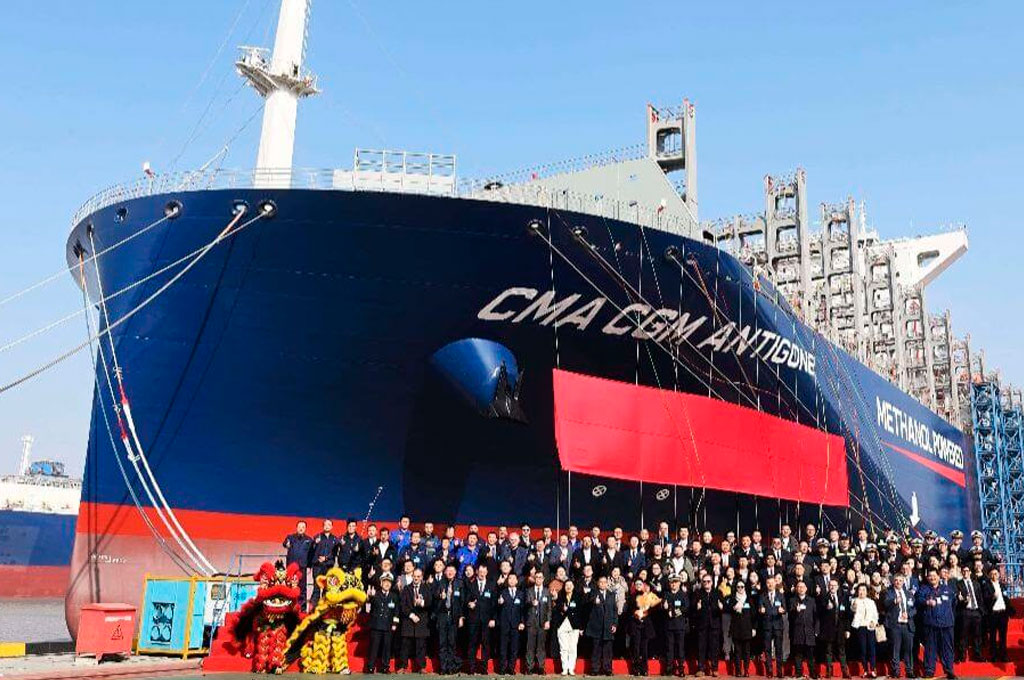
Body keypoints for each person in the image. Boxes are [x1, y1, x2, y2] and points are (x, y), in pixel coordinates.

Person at [915, 569, 956, 680]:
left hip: (946, 624)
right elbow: (918, 600)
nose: (932, 578)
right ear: (927, 578)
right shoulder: (923, 589)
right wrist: (926, 602)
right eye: (930, 576)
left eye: (934, 575)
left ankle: (949, 670)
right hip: (931, 624)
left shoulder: (947, 589)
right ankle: (929, 671)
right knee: (930, 649)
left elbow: (953, 604)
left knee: (947, 649)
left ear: (939, 576)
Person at [398, 568, 432, 673]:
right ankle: (403, 666)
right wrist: (411, 615)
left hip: (422, 620)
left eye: (418, 576)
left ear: (421, 577)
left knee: (421, 645)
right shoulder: (406, 588)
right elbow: (402, 605)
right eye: (414, 576)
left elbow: (430, 602)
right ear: (412, 576)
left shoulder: (426, 588)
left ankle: (422, 667)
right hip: (408, 620)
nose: (416, 578)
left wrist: (421, 603)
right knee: (405, 645)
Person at [465, 562, 497, 674]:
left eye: (484, 572)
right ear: (477, 572)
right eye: (480, 571)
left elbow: (494, 604)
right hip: (473, 619)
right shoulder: (471, 584)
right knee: (472, 644)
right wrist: (469, 604)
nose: (482, 574)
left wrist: (493, 618)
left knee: (485, 645)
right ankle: (471, 668)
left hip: (486, 620)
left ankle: (484, 668)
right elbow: (466, 599)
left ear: (487, 572)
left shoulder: (492, 585)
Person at [365, 572, 400, 673]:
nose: (387, 584)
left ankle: (385, 667)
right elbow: (367, 609)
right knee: (374, 647)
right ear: (381, 583)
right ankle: (370, 667)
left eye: (389, 582)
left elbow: (396, 612)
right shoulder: (375, 594)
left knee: (387, 648)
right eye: (385, 582)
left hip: (388, 626)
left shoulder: (394, 596)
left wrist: (395, 624)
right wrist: (369, 598)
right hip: (376, 625)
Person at [585, 575, 618, 677]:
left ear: (607, 583)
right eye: (601, 582)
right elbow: (589, 602)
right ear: (598, 583)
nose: (603, 584)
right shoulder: (593, 593)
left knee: (608, 650)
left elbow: (614, 610)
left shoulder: (611, 594)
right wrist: (594, 602)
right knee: (596, 649)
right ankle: (595, 669)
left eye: (605, 582)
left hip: (608, 626)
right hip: (596, 626)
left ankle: (608, 669)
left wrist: (614, 624)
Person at [817, 578, 850, 679]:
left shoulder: (842, 598)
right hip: (828, 629)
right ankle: (829, 671)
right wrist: (826, 608)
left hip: (840, 629)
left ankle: (845, 671)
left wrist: (847, 629)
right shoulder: (823, 597)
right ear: (828, 586)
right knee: (828, 651)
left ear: (838, 587)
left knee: (842, 651)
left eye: (834, 585)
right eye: (831, 585)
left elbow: (846, 615)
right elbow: (819, 613)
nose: (832, 587)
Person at [433, 564, 463, 675]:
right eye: (448, 570)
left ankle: (450, 667)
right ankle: (443, 667)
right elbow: (434, 596)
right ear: (445, 572)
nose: (450, 572)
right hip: (442, 615)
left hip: (454, 616)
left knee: (452, 643)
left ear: (455, 572)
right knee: (442, 643)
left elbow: (462, 602)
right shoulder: (440, 583)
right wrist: (440, 596)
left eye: (452, 570)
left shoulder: (459, 584)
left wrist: (461, 617)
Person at [692, 573, 724, 677]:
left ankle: (714, 668)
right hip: (702, 625)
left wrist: (721, 607)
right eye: (704, 581)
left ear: (712, 582)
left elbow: (724, 607)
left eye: (708, 581)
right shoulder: (697, 593)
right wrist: (697, 607)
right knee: (701, 647)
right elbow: (692, 609)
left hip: (714, 624)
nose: (706, 583)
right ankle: (701, 668)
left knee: (714, 647)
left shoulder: (717, 593)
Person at [627, 579, 660, 676]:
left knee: (644, 648)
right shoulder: (631, 597)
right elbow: (629, 609)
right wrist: (636, 613)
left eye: (640, 584)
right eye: (636, 584)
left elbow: (654, 608)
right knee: (636, 647)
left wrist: (646, 611)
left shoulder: (648, 595)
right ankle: (636, 668)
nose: (638, 585)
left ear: (643, 585)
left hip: (646, 624)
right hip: (635, 624)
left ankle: (644, 668)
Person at [885, 573, 915, 680]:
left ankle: (909, 671)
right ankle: (896, 671)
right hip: (895, 625)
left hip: (907, 625)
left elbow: (914, 608)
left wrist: (909, 614)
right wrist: (894, 601)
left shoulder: (908, 593)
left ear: (903, 582)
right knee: (895, 650)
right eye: (896, 580)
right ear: (893, 581)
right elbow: (885, 603)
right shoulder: (889, 592)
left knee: (908, 649)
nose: (898, 582)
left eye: (900, 580)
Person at [496, 572, 525, 674]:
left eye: (513, 579)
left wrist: (522, 622)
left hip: (516, 625)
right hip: (504, 624)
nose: (512, 580)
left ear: (517, 581)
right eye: (510, 578)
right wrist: (499, 603)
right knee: (503, 648)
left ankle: (511, 668)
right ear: (507, 581)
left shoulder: (521, 594)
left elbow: (523, 610)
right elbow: (496, 608)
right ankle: (502, 668)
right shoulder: (502, 592)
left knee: (514, 648)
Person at [524, 570, 552, 674]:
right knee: (530, 646)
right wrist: (531, 603)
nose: (538, 579)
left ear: (543, 579)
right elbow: (525, 604)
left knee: (541, 646)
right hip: (531, 622)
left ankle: (541, 667)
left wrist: (548, 620)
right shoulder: (529, 590)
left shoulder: (547, 591)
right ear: (534, 579)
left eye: (540, 577)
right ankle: (529, 667)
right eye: (537, 577)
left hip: (542, 622)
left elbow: (549, 608)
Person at [555, 578, 585, 676]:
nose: (568, 587)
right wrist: (562, 608)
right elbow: (557, 609)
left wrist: (581, 627)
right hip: (562, 624)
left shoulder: (578, 597)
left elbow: (580, 612)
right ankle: (564, 668)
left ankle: (571, 669)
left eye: (570, 585)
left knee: (573, 648)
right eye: (566, 585)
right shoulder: (560, 596)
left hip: (574, 625)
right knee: (563, 648)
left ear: (573, 586)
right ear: (564, 587)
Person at [980, 565, 1010, 663]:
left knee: (1003, 636)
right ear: (989, 575)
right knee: (992, 636)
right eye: (992, 574)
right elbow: (985, 599)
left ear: (998, 574)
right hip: (993, 614)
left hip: (1003, 614)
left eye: (996, 574)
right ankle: (993, 656)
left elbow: (1006, 599)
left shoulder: (1002, 585)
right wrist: (993, 596)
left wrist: (1009, 611)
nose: (994, 576)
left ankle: (1003, 655)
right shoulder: (987, 586)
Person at [789, 580, 817, 680]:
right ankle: (798, 673)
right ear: (796, 589)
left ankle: (812, 673)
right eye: (799, 587)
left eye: (802, 587)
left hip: (809, 631)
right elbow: (790, 617)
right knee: (798, 654)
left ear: (806, 589)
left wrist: (816, 630)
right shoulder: (792, 600)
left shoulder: (811, 600)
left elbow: (816, 616)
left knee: (810, 655)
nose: (801, 589)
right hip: (798, 631)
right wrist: (795, 611)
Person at [850, 583, 878, 678]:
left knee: (872, 649)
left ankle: (873, 669)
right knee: (863, 649)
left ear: (866, 592)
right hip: (860, 627)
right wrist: (854, 605)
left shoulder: (871, 602)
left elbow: (875, 614)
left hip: (870, 627)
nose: (862, 592)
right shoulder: (854, 600)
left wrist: (874, 621)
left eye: (863, 590)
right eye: (860, 590)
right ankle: (865, 669)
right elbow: (852, 610)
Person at [282, 520, 313, 610]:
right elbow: (285, 544)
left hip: (302, 567)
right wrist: (287, 544)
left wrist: (309, 566)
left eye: (303, 527)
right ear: (296, 528)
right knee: (290, 587)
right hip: (291, 568)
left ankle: (302, 609)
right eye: (299, 527)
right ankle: (289, 608)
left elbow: (311, 554)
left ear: (305, 529)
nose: (301, 528)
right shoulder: (290, 537)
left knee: (302, 589)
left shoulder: (309, 540)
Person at [662, 574, 689, 678]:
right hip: (669, 626)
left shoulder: (683, 595)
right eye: (672, 582)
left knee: (680, 648)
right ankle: (669, 668)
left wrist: (673, 613)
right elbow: (662, 607)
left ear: (679, 583)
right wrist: (664, 607)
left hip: (679, 626)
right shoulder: (666, 594)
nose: (674, 584)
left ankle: (681, 668)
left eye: (676, 582)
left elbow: (685, 608)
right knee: (669, 648)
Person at [760, 574, 786, 678]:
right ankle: (769, 670)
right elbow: (760, 607)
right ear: (766, 584)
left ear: (775, 583)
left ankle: (779, 671)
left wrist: (782, 610)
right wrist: (761, 609)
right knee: (767, 649)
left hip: (778, 625)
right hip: (767, 626)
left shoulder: (780, 595)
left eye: (772, 582)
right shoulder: (762, 596)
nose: (770, 584)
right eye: (768, 583)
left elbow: (785, 608)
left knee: (779, 649)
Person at [955, 565, 983, 662]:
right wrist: (963, 600)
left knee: (977, 635)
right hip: (965, 611)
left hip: (976, 612)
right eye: (963, 571)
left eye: (967, 570)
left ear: (970, 572)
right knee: (963, 635)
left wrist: (981, 611)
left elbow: (980, 598)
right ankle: (962, 655)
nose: (965, 572)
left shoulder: (976, 583)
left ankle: (977, 654)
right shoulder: (958, 584)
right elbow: (958, 598)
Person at [728, 580, 755, 677]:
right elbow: (728, 609)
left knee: (747, 651)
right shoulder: (732, 599)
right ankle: (738, 671)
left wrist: (754, 628)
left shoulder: (749, 599)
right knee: (737, 652)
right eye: (738, 587)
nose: (740, 588)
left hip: (747, 629)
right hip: (736, 629)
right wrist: (734, 607)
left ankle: (746, 670)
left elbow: (753, 615)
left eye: (742, 586)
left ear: (745, 587)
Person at [310, 519, 339, 605]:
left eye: (329, 525)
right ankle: (314, 608)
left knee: (327, 587)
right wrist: (315, 543)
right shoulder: (317, 537)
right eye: (325, 525)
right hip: (317, 566)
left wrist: (326, 558)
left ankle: (324, 607)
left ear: (332, 527)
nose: (327, 526)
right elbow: (311, 550)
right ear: (323, 526)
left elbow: (335, 553)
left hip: (328, 566)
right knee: (316, 587)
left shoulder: (335, 539)